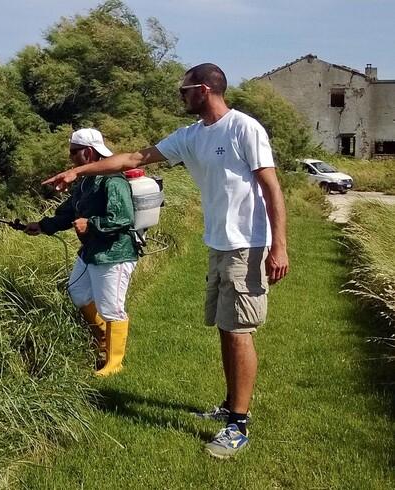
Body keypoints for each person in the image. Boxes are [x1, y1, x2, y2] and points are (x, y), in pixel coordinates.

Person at [42, 63, 289, 459]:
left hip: (249, 245)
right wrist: (77, 171)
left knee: (240, 330)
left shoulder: (244, 128)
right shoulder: (191, 136)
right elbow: (132, 157)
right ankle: (230, 405)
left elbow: (271, 187)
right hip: (218, 244)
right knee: (226, 327)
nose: (181, 96)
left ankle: (238, 425)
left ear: (204, 90)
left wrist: (279, 246)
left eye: (184, 90)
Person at [25, 128, 138, 377]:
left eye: (73, 152)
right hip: (91, 252)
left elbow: (123, 218)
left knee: (112, 308)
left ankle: (114, 363)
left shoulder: (113, 180)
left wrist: (92, 224)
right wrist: (42, 226)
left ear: (87, 152)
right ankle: (103, 342)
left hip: (114, 254)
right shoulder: (86, 181)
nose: (71, 158)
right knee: (78, 293)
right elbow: (69, 212)